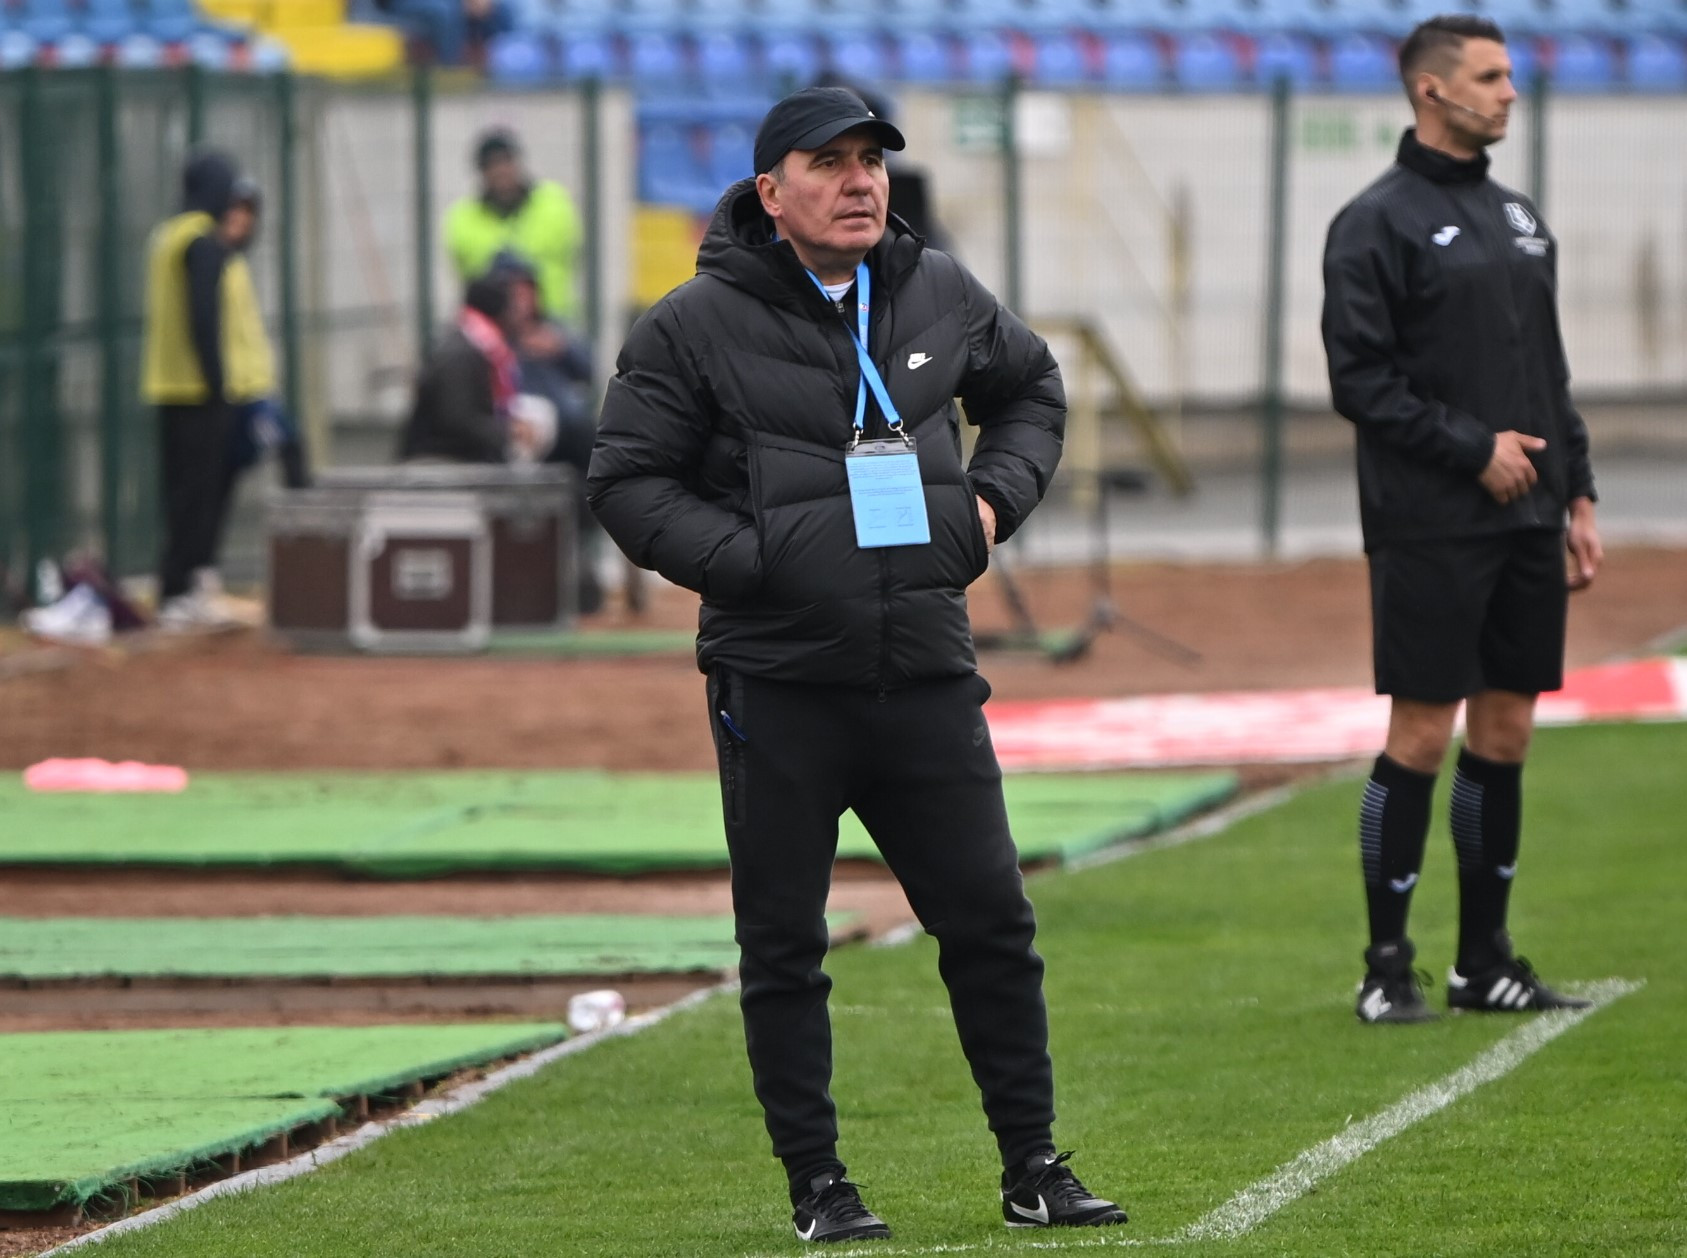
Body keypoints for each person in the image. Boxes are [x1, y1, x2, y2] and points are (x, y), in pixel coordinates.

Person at [588, 86, 1126, 1243]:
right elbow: (626, 481)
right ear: (769, 190)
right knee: (785, 947)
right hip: (779, 682)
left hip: (925, 669)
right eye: (827, 163)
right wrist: (753, 561)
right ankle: (818, 1186)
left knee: (991, 924)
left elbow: (1030, 389)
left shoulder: (936, 288)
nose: (858, 182)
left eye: (870, 160)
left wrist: (989, 506)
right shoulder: (690, 323)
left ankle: (1033, 1164)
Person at [1320, 15, 1601, 1024]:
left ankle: (1483, 961)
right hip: (1429, 522)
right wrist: (1471, 447)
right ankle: (1384, 966)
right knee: (1421, 731)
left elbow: (1547, 370)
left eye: (1509, 75)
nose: (1508, 92)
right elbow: (1358, 381)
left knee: (1508, 730)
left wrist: (1577, 490)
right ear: (1430, 90)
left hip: (1528, 519)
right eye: (1488, 76)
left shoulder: (1518, 217)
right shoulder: (1372, 223)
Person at [140, 151, 276, 630]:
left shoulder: (167, 236)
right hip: (199, 391)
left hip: (168, 384)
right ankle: (182, 588)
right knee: (199, 494)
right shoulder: (202, 241)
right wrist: (217, 382)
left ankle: (184, 584)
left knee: (184, 491)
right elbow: (203, 318)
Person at [397, 271, 546, 464]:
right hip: (438, 460)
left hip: (458, 458)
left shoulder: (474, 346)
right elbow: (457, 420)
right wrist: (508, 431)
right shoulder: (461, 354)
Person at [444, 129, 584, 324]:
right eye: (492, 165)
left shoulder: (554, 203)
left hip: (551, 321)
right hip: (492, 326)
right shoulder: (463, 217)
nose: (500, 171)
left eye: (505, 162)